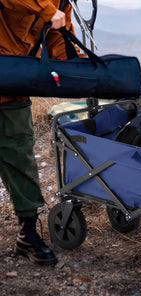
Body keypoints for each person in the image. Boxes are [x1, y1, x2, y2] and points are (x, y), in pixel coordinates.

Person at [0, 0, 80, 265]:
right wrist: (49, 11)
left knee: (20, 155)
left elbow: (58, 38)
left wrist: (79, 66)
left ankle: (28, 233)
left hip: (12, 84)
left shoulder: (61, 2)